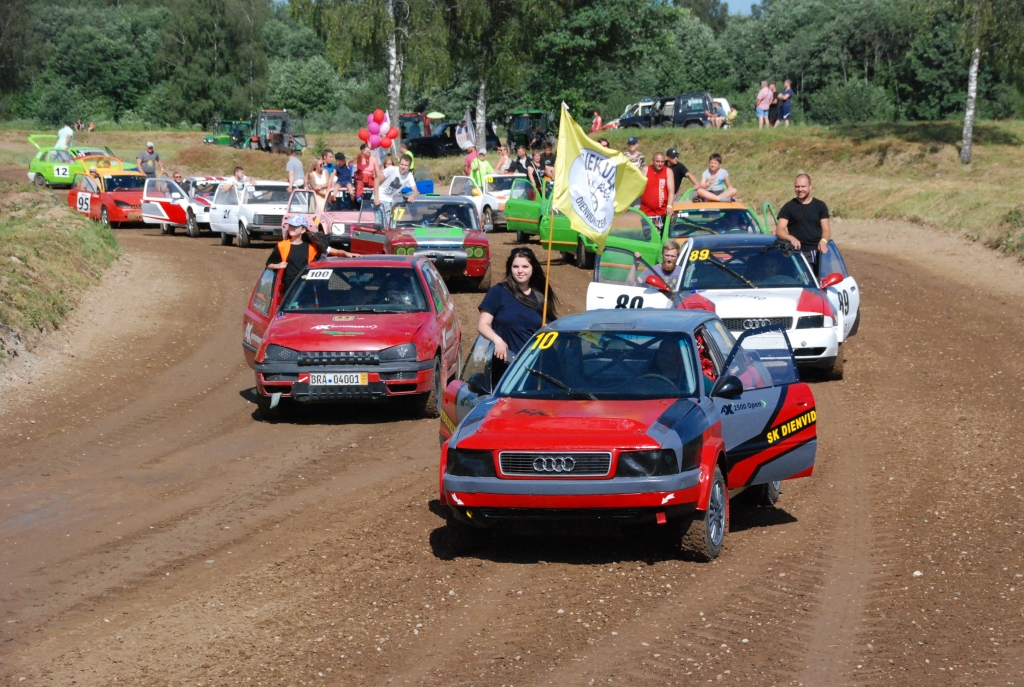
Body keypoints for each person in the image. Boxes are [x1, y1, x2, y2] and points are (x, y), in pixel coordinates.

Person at [478, 246, 560, 385]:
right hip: (506, 366)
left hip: (534, 366)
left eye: (525, 266)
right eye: (515, 266)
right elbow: (483, 325)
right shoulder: (498, 292)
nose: (520, 271)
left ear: (532, 268)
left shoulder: (541, 295)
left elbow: (549, 329)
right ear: (510, 268)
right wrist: (497, 340)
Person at [265, 216, 358, 292]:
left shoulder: (313, 246)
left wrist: (347, 253)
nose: (291, 228)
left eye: (295, 226)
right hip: (289, 286)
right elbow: (269, 264)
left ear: (303, 230)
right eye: (290, 226)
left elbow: (335, 252)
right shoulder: (281, 246)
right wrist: (277, 265)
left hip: (307, 284)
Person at [775, 173, 831, 272]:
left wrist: (824, 241)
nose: (800, 189)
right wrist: (791, 238)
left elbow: (826, 230)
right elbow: (780, 230)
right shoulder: (788, 207)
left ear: (810, 186)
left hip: (818, 251)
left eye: (803, 186)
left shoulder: (820, 206)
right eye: (797, 187)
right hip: (797, 252)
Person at [373, 153, 417, 228]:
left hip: (389, 200)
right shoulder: (391, 169)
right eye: (402, 164)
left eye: (406, 165)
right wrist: (376, 197)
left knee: (389, 225)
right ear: (399, 163)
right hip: (379, 197)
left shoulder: (409, 175)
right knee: (380, 224)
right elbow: (376, 180)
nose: (403, 167)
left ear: (409, 167)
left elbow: (416, 191)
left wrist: (412, 196)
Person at [639, 153, 675, 230]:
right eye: (657, 161)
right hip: (646, 212)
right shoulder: (646, 170)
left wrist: (669, 206)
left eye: (662, 162)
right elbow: (637, 188)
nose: (660, 164)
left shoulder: (668, 171)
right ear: (653, 161)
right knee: (648, 237)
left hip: (662, 212)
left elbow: (671, 191)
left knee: (662, 237)